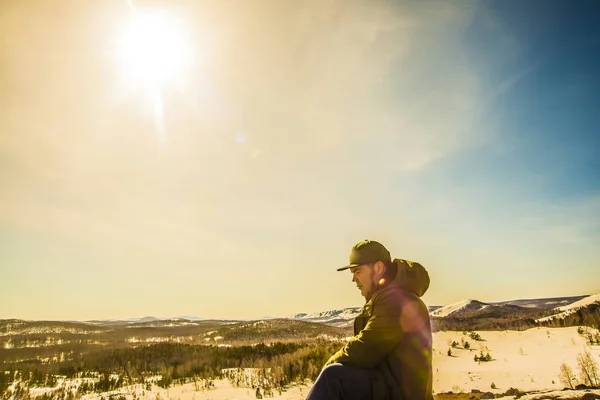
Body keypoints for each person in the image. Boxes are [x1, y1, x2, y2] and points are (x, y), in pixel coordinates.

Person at [306, 240, 433, 400]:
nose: (353, 279)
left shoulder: (395, 300)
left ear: (378, 268)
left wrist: (329, 363)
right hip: (390, 386)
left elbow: (367, 347)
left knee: (332, 378)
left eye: (357, 271)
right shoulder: (386, 297)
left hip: (399, 393)